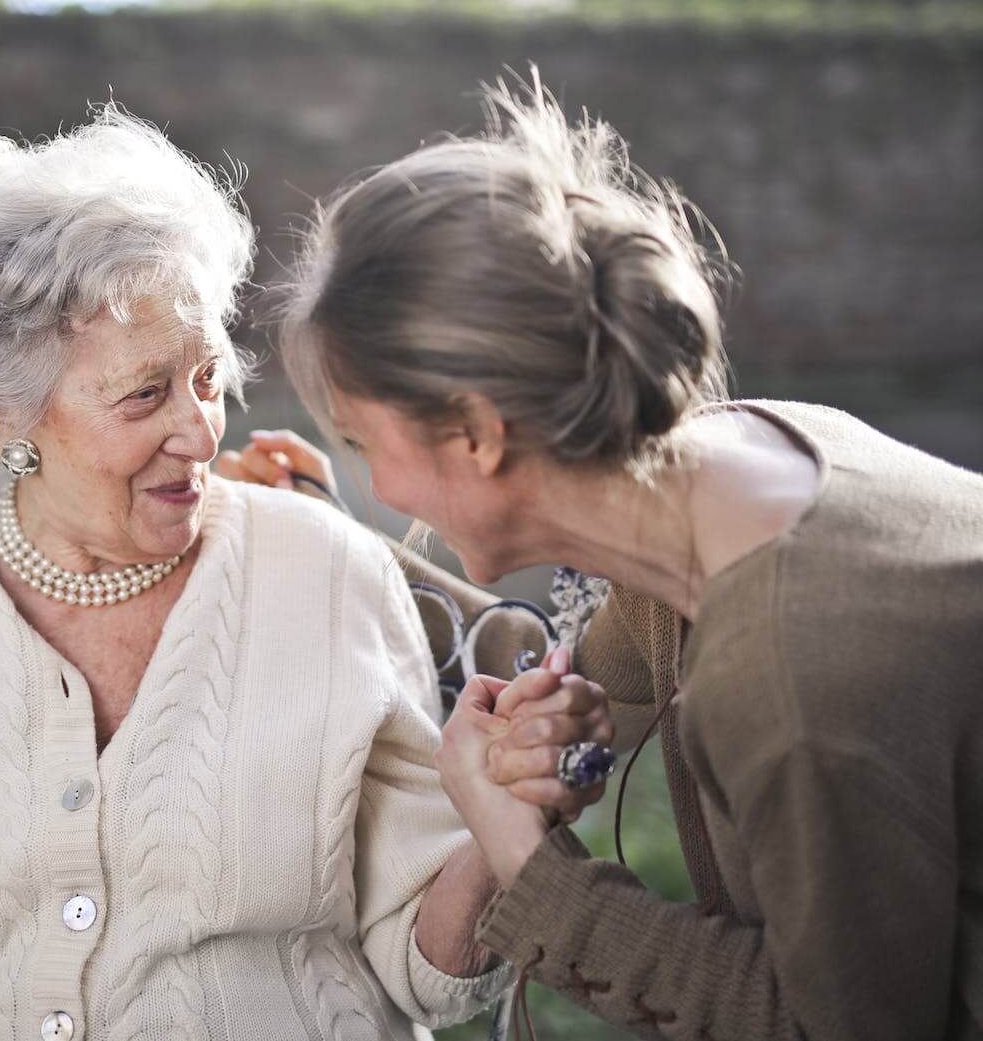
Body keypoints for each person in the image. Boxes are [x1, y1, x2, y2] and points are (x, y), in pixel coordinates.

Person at [0, 107, 564, 1041]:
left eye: (207, 378)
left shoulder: (327, 572)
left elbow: (429, 970)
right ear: (7, 418)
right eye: (145, 393)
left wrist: (498, 816)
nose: (199, 432)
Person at [234, 76, 983, 1039]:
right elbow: (566, 671)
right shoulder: (736, 465)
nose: (382, 485)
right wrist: (321, 534)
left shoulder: (792, 675)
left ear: (474, 435)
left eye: (362, 443)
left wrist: (530, 868)